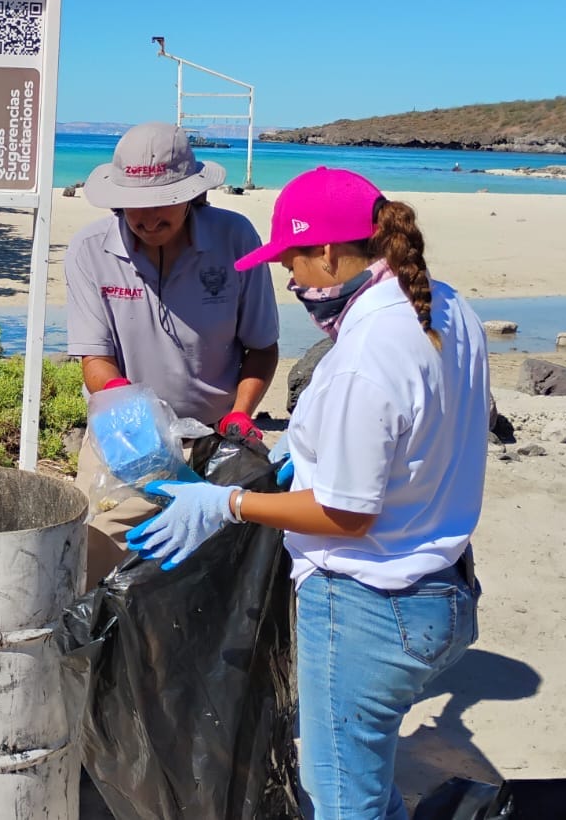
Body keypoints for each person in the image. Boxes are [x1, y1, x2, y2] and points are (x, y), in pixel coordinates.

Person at [126, 167, 490, 819]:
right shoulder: (447, 306)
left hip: (368, 606)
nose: (291, 281)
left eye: (293, 262)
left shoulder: (364, 355)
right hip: (445, 587)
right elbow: (419, 430)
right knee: (369, 785)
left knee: (343, 801)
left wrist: (227, 504)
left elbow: (346, 513)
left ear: (327, 251)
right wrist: (306, 450)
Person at [64, 122, 280, 587]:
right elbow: (94, 359)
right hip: (122, 443)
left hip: (218, 442)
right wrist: (134, 413)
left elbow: (262, 347)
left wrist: (242, 414)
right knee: (90, 571)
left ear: (193, 194)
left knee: (214, 585)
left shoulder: (236, 239)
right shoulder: (88, 250)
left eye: (164, 202)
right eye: (136, 204)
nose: (148, 218)